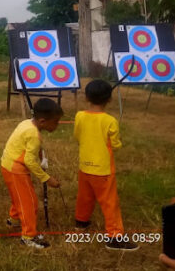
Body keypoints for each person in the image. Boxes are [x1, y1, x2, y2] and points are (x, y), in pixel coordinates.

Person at [74, 79, 138, 251]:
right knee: (110, 202)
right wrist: (117, 145)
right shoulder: (110, 120)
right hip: (102, 170)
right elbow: (115, 144)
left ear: (86, 97)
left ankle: (81, 221)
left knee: (85, 196)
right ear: (109, 100)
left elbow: (77, 136)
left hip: (84, 167)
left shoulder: (79, 116)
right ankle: (115, 236)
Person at [0, 97, 62, 249]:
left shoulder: (27, 123)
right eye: (55, 122)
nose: (57, 125)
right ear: (42, 121)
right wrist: (47, 179)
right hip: (16, 169)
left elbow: (32, 148)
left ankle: (14, 221)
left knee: (19, 197)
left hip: (8, 165)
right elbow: (29, 161)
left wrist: (41, 157)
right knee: (29, 203)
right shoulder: (34, 134)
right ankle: (28, 236)